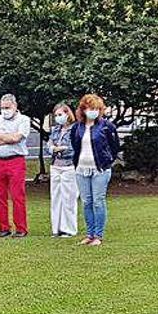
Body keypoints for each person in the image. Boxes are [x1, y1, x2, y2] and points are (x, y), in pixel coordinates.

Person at [70, 94, 120, 247]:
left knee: (98, 201)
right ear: (83, 110)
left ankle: (98, 235)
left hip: (100, 169)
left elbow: (114, 146)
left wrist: (107, 161)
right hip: (81, 169)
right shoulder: (77, 127)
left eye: (96, 109)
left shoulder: (106, 126)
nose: (93, 111)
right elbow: (75, 145)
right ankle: (89, 234)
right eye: (90, 108)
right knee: (86, 202)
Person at [0, 94, 31, 238]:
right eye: (2, 108)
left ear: (15, 106)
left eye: (7, 107)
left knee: (18, 195)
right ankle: (3, 228)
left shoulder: (23, 120)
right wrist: (8, 138)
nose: (5, 110)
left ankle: (21, 228)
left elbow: (17, 138)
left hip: (16, 160)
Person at [47, 103, 78, 238]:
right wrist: (55, 148)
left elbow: (71, 149)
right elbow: (49, 146)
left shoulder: (75, 129)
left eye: (61, 114)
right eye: (56, 115)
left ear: (67, 114)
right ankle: (57, 228)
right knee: (55, 197)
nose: (58, 117)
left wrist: (57, 148)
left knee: (68, 198)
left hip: (69, 166)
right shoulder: (55, 130)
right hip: (55, 166)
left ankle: (69, 229)